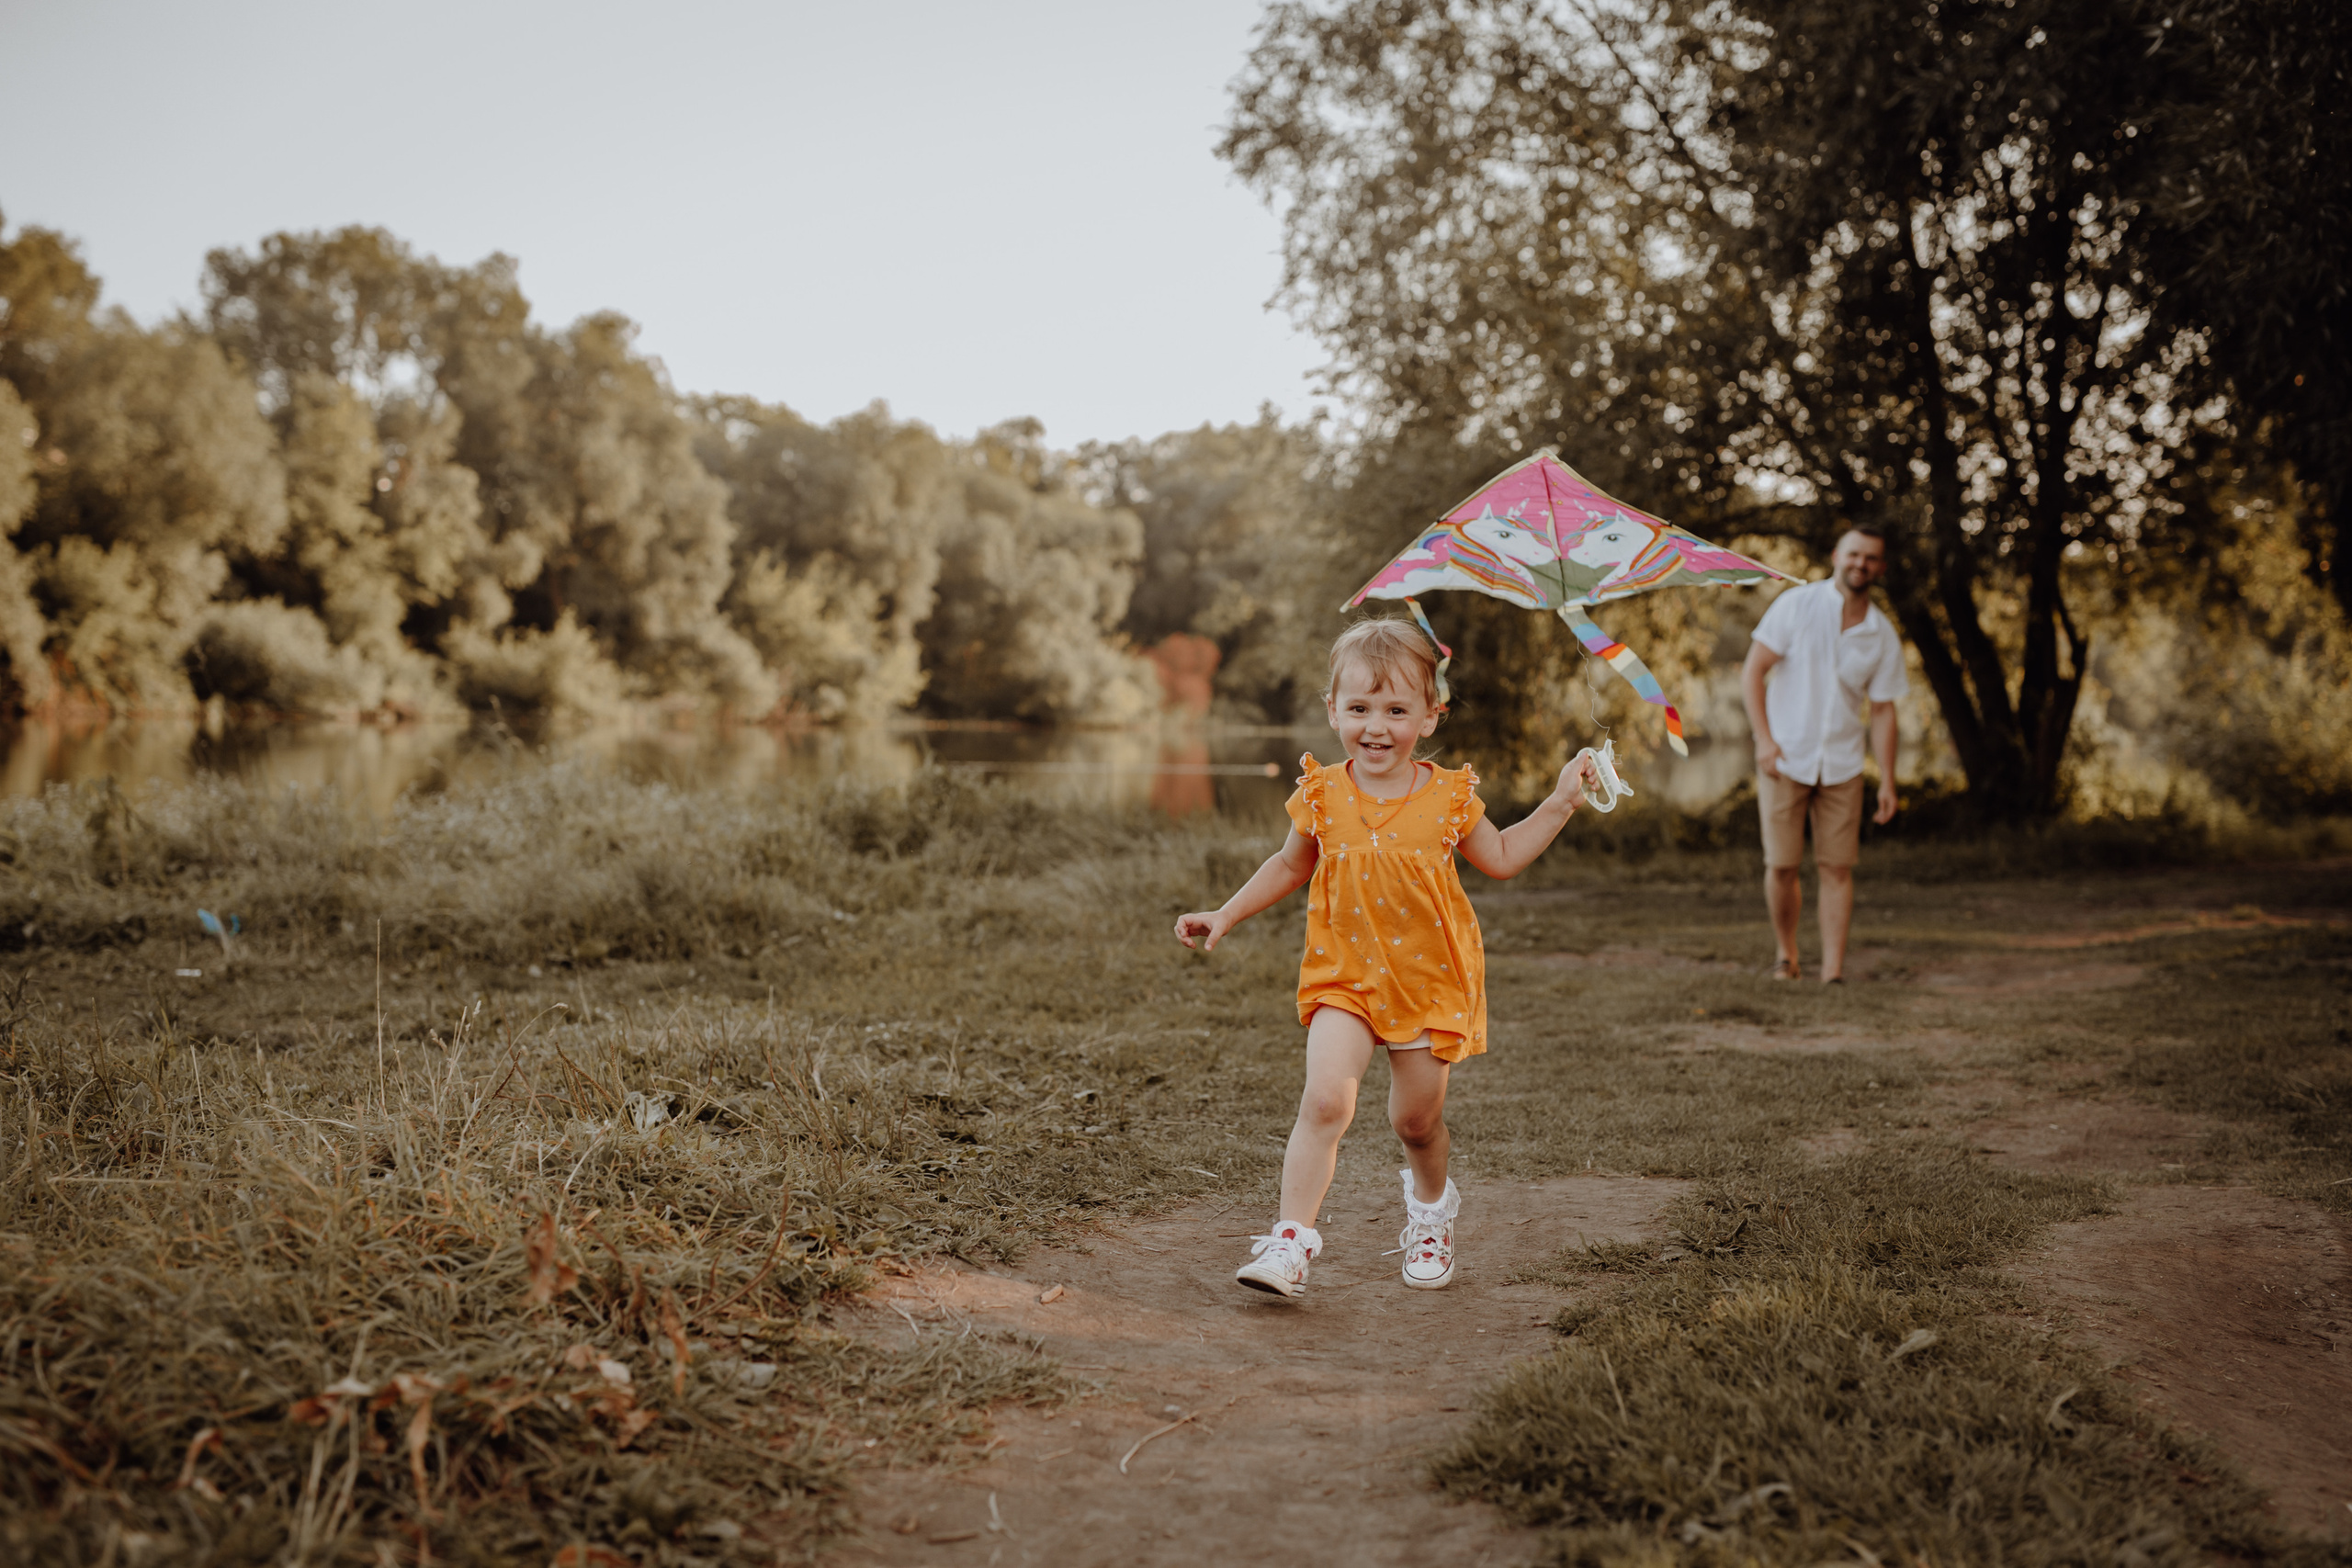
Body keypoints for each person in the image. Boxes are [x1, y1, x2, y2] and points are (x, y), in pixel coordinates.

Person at [1173, 619, 1602, 1300]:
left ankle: (1432, 1212)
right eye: (1360, 708)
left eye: (1397, 710)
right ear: (1332, 709)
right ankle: (1290, 1241)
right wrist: (1225, 911)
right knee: (1324, 1101)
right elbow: (1289, 864)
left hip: (1428, 984)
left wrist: (1558, 802)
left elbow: (1501, 858)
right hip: (1343, 977)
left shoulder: (1449, 796)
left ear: (1432, 715)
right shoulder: (1321, 792)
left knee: (1415, 1121)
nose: (1377, 726)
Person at [1739, 527, 1906, 985]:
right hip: (1784, 759)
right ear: (1837, 555)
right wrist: (1764, 740)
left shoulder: (1881, 634)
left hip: (1843, 766)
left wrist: (1888, 781)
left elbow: (1884, 710)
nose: (1861, 564)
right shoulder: (1797, 605)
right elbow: (1753, 672)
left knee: (1837, 867)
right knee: (1782, 866)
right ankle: (1787, 955)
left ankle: (1832, 971)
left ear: (1880, 568)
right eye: (1854, 554)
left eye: (1871, 558)